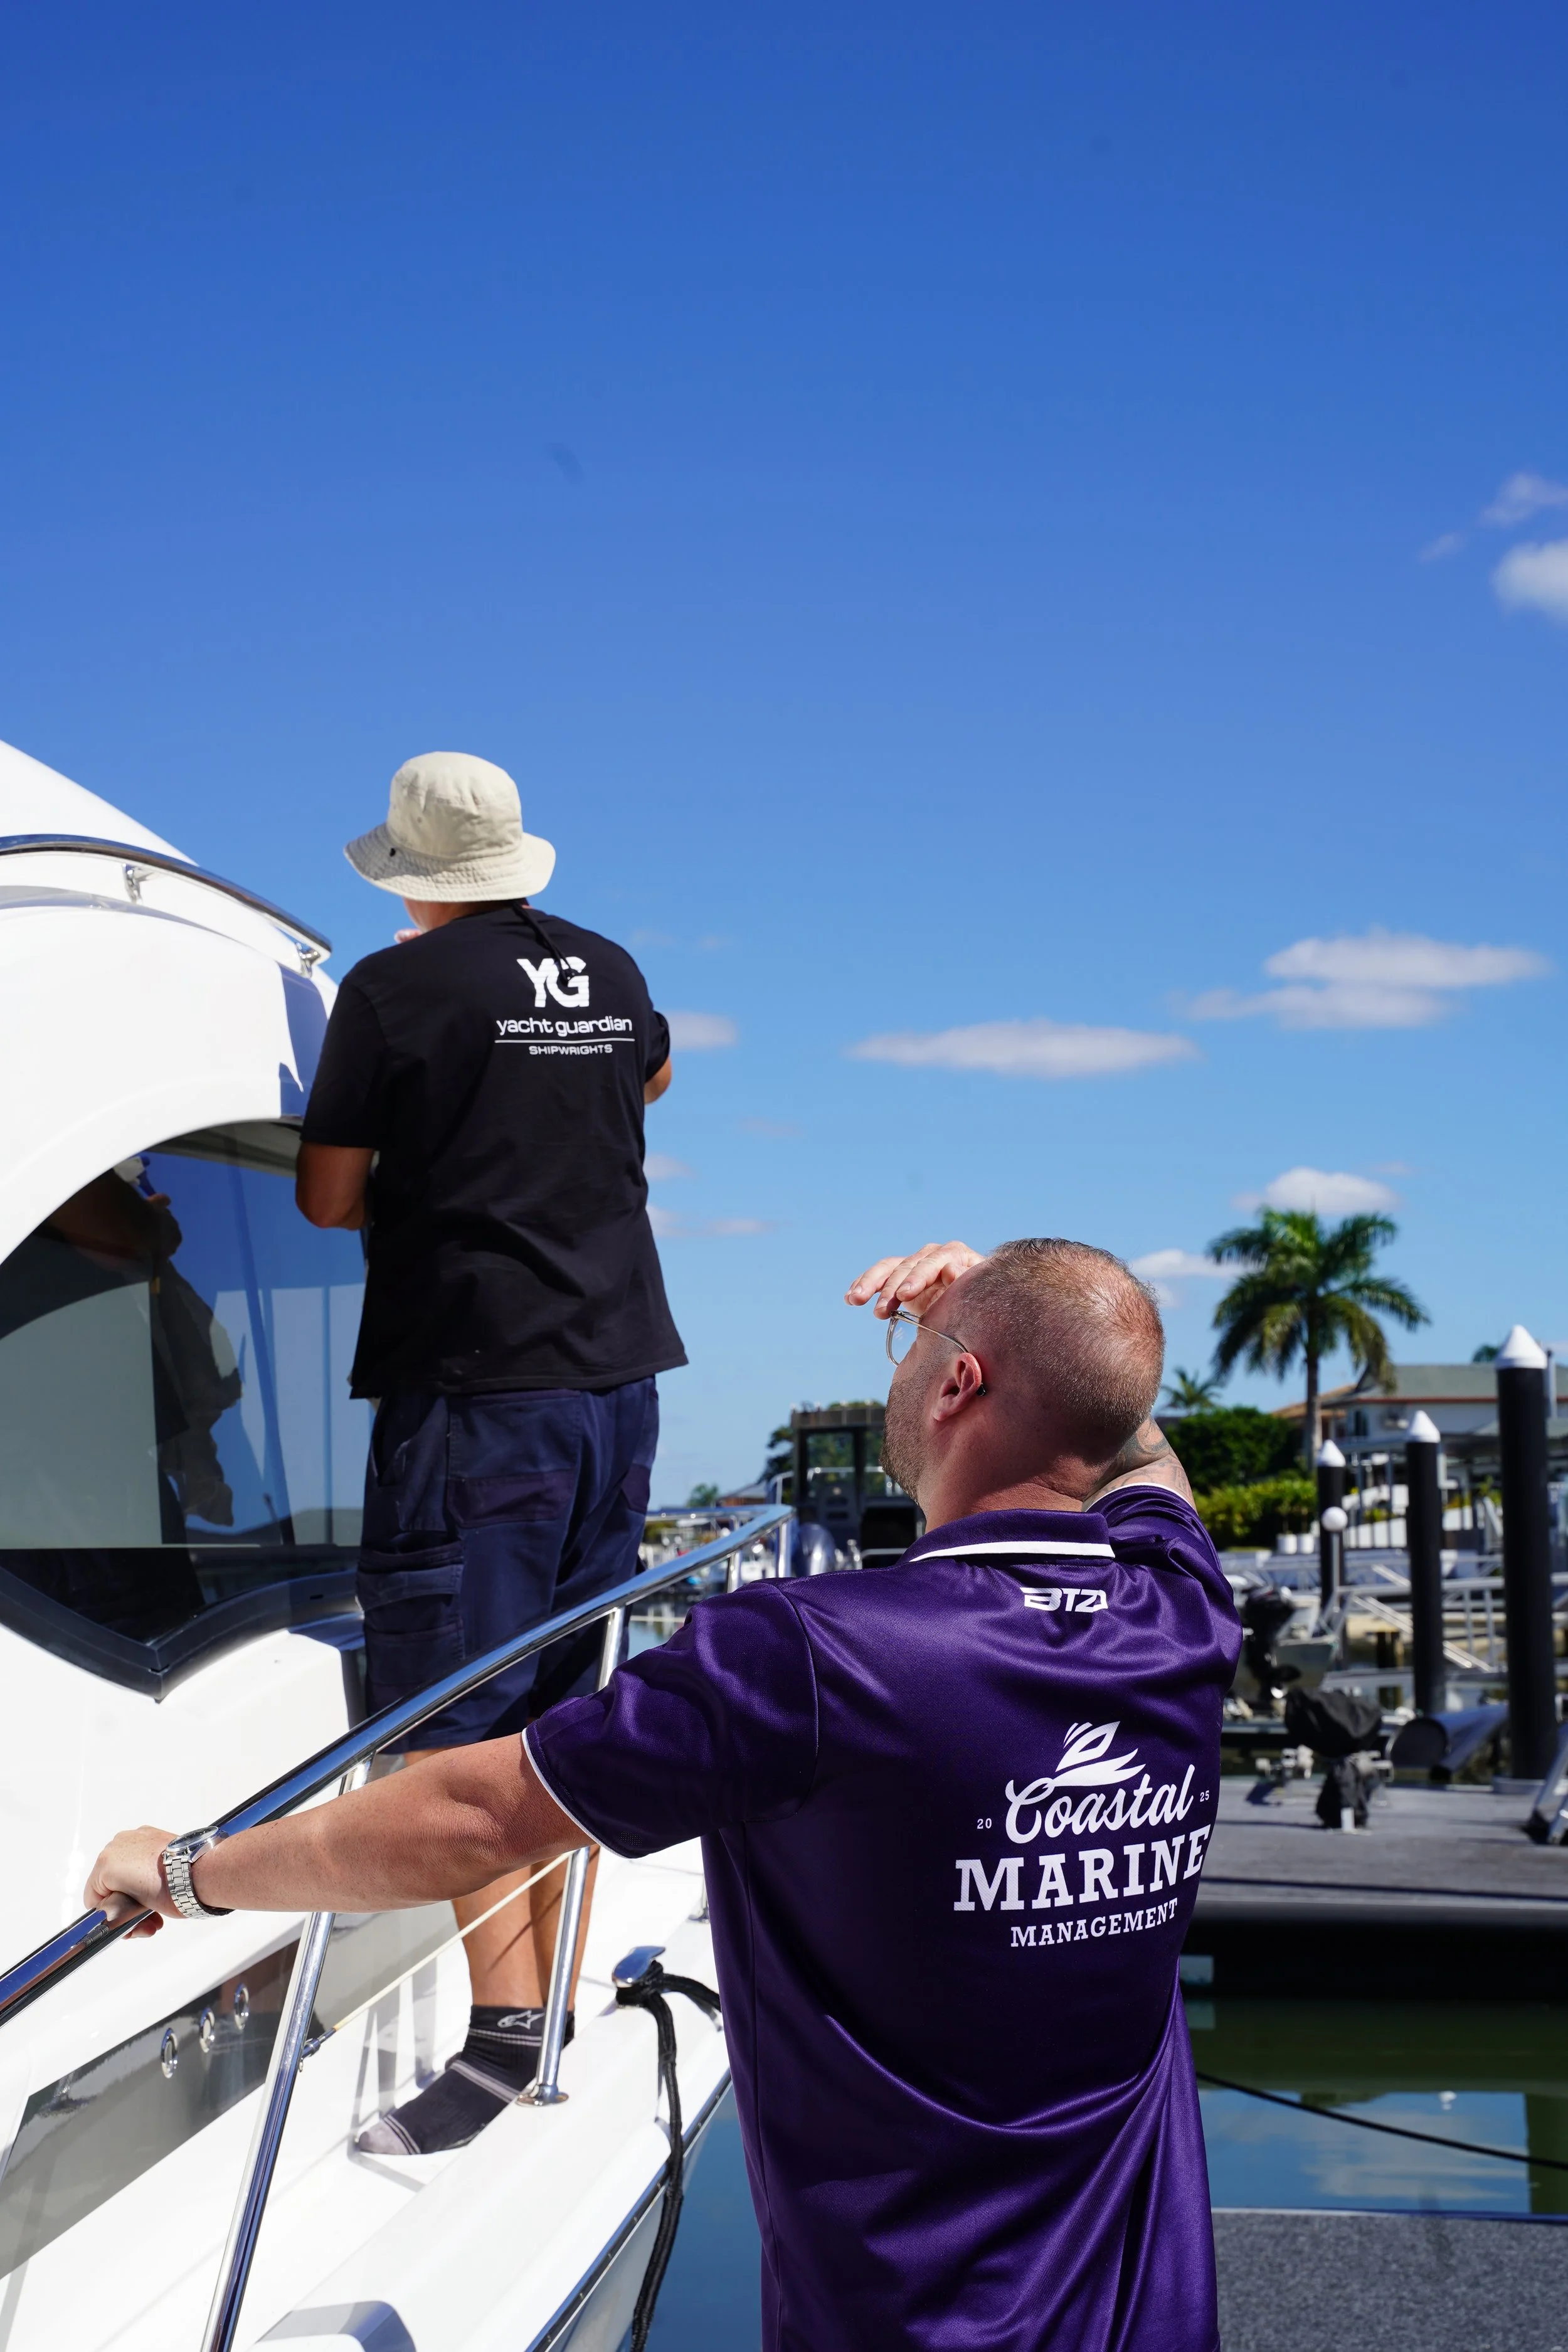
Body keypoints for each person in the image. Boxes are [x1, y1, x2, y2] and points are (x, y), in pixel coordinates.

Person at [89, 1236, 1240, 2352]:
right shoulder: (1184, 1609)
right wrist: (1033, 1322)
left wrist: (191, 1870)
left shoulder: (813, 1655)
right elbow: (1136, 1450)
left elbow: (476, 1818)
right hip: (1156, 2317)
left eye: (914, 1348)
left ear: (957, 1384)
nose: (897, 1368)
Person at [292, 749, 686, 2153]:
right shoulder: (610, 965)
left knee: (455, 1723)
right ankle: (548, 2011)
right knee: (555, 1718)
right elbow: (647, 1078)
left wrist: (440, 1137)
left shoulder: (391, 993)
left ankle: (503, 2042)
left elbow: (330, 1202)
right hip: (618, 1382)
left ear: (411, 875)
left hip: (476, 1391)